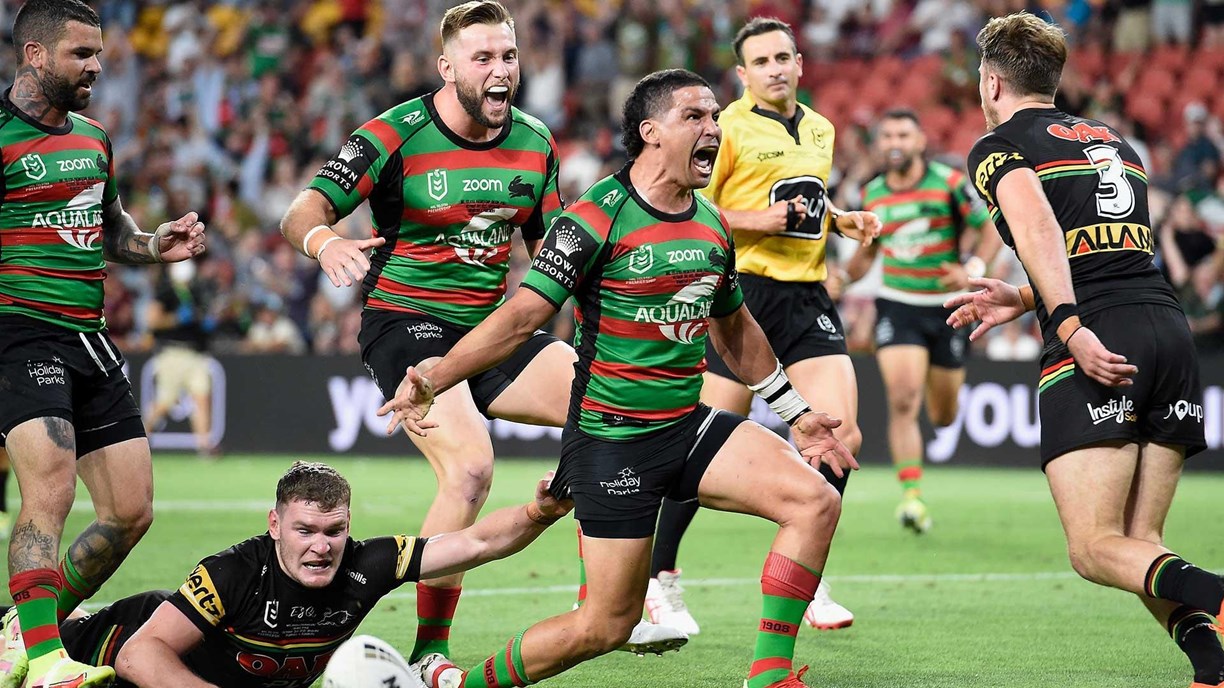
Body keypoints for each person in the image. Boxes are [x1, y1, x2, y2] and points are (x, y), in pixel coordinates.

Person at [378, 68, 857, 688]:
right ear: (650, 133)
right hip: (611, 442)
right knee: (605, 624)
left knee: (815, 500)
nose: (714, 129)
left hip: (685, 427)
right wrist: (435, 377)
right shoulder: (596, 218)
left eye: (714, 117)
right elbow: (523, 315)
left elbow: (734, 328)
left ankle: (769, 674)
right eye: (696, 117)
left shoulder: (712, 221)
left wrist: (795, 412)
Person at [278, 0, 683, 664]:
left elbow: (557, 254)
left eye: (510, 56)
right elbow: (306, 207)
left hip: (494, 330)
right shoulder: (396, 132)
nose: (501, 71)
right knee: (469, 471)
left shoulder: (536, 141)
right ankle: (428, 654)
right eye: (484, 58)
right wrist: (325, 243)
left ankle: (619, 604)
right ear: (447, 67)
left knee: (622, 416)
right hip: (406, 324)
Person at [947, 12, 1220, 688]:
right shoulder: (1116, 140)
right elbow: (1106, 247)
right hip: (1167, 329)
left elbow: (1039, 223)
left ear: (991, 83)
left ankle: (1218, 592)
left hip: (1101, 337)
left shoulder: (996, 144)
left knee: (1094, 549)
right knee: (1141, 545)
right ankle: (1214, 667)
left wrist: (1066, 324)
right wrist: (1021, 297)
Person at [640, 17, 880, 637]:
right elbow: (692, 202)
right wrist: (759, 220)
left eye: (783, 56)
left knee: (840, 430)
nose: (775, 67)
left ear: (799, 62)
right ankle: (657, 581)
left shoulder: (822, 128)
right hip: (740, 297)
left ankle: (809, 565)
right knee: (695, 444)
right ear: (743, 75)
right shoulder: (723, 129)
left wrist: (839, 219)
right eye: (760, 61)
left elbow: (804, 202)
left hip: (807, 295)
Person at [0, 2, 207, 686]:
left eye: (97, 52)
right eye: (80, 54)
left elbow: (111, 230)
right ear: (35, 56)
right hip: (17, 331)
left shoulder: (93, 138)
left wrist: (156, 244)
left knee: (130, 510)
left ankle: (16, 632)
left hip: (88, 339)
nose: (96, 66)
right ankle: (45, 660)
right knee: (50, 490)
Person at [0, 461, 573, 688]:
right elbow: (139, 658)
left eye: (334, 531)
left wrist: (537, 512)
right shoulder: (232, 571)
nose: (322, 548)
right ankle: (25, 627)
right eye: (305, 531)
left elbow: (475, 542)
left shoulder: (369, 563)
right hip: (114, 648)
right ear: (275, 524)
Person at [842, 109, 1001, 534]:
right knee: (903, 399)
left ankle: (919, 475)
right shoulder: (870, 193)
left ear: (919, 141)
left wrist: (973, 266)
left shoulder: (948, 184)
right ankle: (911, 497)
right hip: (897, 304)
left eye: (903, 134)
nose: (895, 141)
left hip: (948, 309)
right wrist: (841, 277)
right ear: (879, 144)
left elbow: (988, 229)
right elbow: (867, 255)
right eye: (888, 134)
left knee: (944, 414)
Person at [142, 261, 218, 458]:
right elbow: (152, 320)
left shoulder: (197, 291)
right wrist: (176, 318)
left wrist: (207, 322)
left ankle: (204, 446)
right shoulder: (165, 291)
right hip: (172, 352)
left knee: (201, 397)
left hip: (195, 353)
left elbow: (206, 315)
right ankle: (142, 437)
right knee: (165, 401)